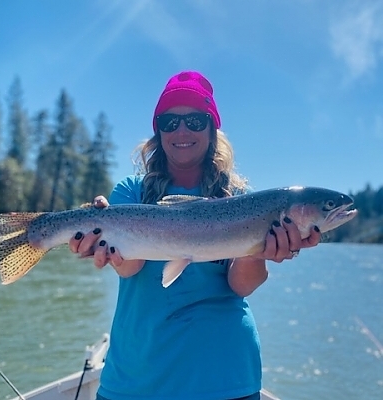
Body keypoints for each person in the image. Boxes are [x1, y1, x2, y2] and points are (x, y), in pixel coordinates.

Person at [69, 71, 321, 400]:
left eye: (195, 120)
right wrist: (104, 249)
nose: (182, 130)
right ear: (158, 131)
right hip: (137, 379)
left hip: (224, 376)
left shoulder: (240, 198)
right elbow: (130, 268)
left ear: (212, 128)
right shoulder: (130, 192)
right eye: (169, 122)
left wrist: (258, 250)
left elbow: (241, 285)